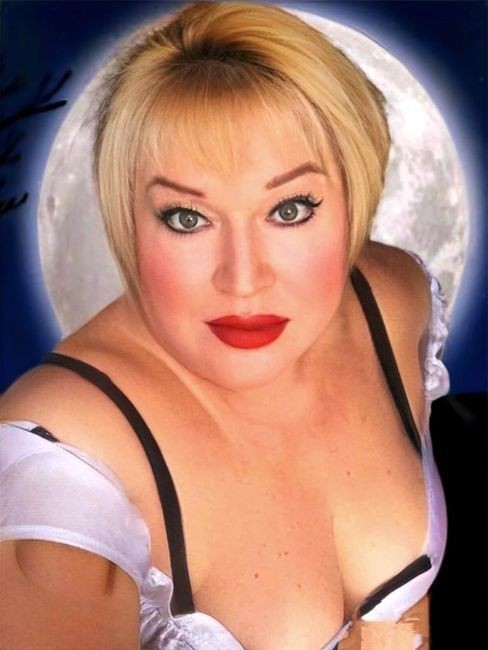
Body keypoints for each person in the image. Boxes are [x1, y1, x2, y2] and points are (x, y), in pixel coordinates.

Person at [0, 1, 450, 648]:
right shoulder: (65, 465)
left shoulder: (388, 298)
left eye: (290, 209)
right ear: (126, 220)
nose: (243, 279)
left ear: (356, 198)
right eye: (188, 218)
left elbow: (400, 621)